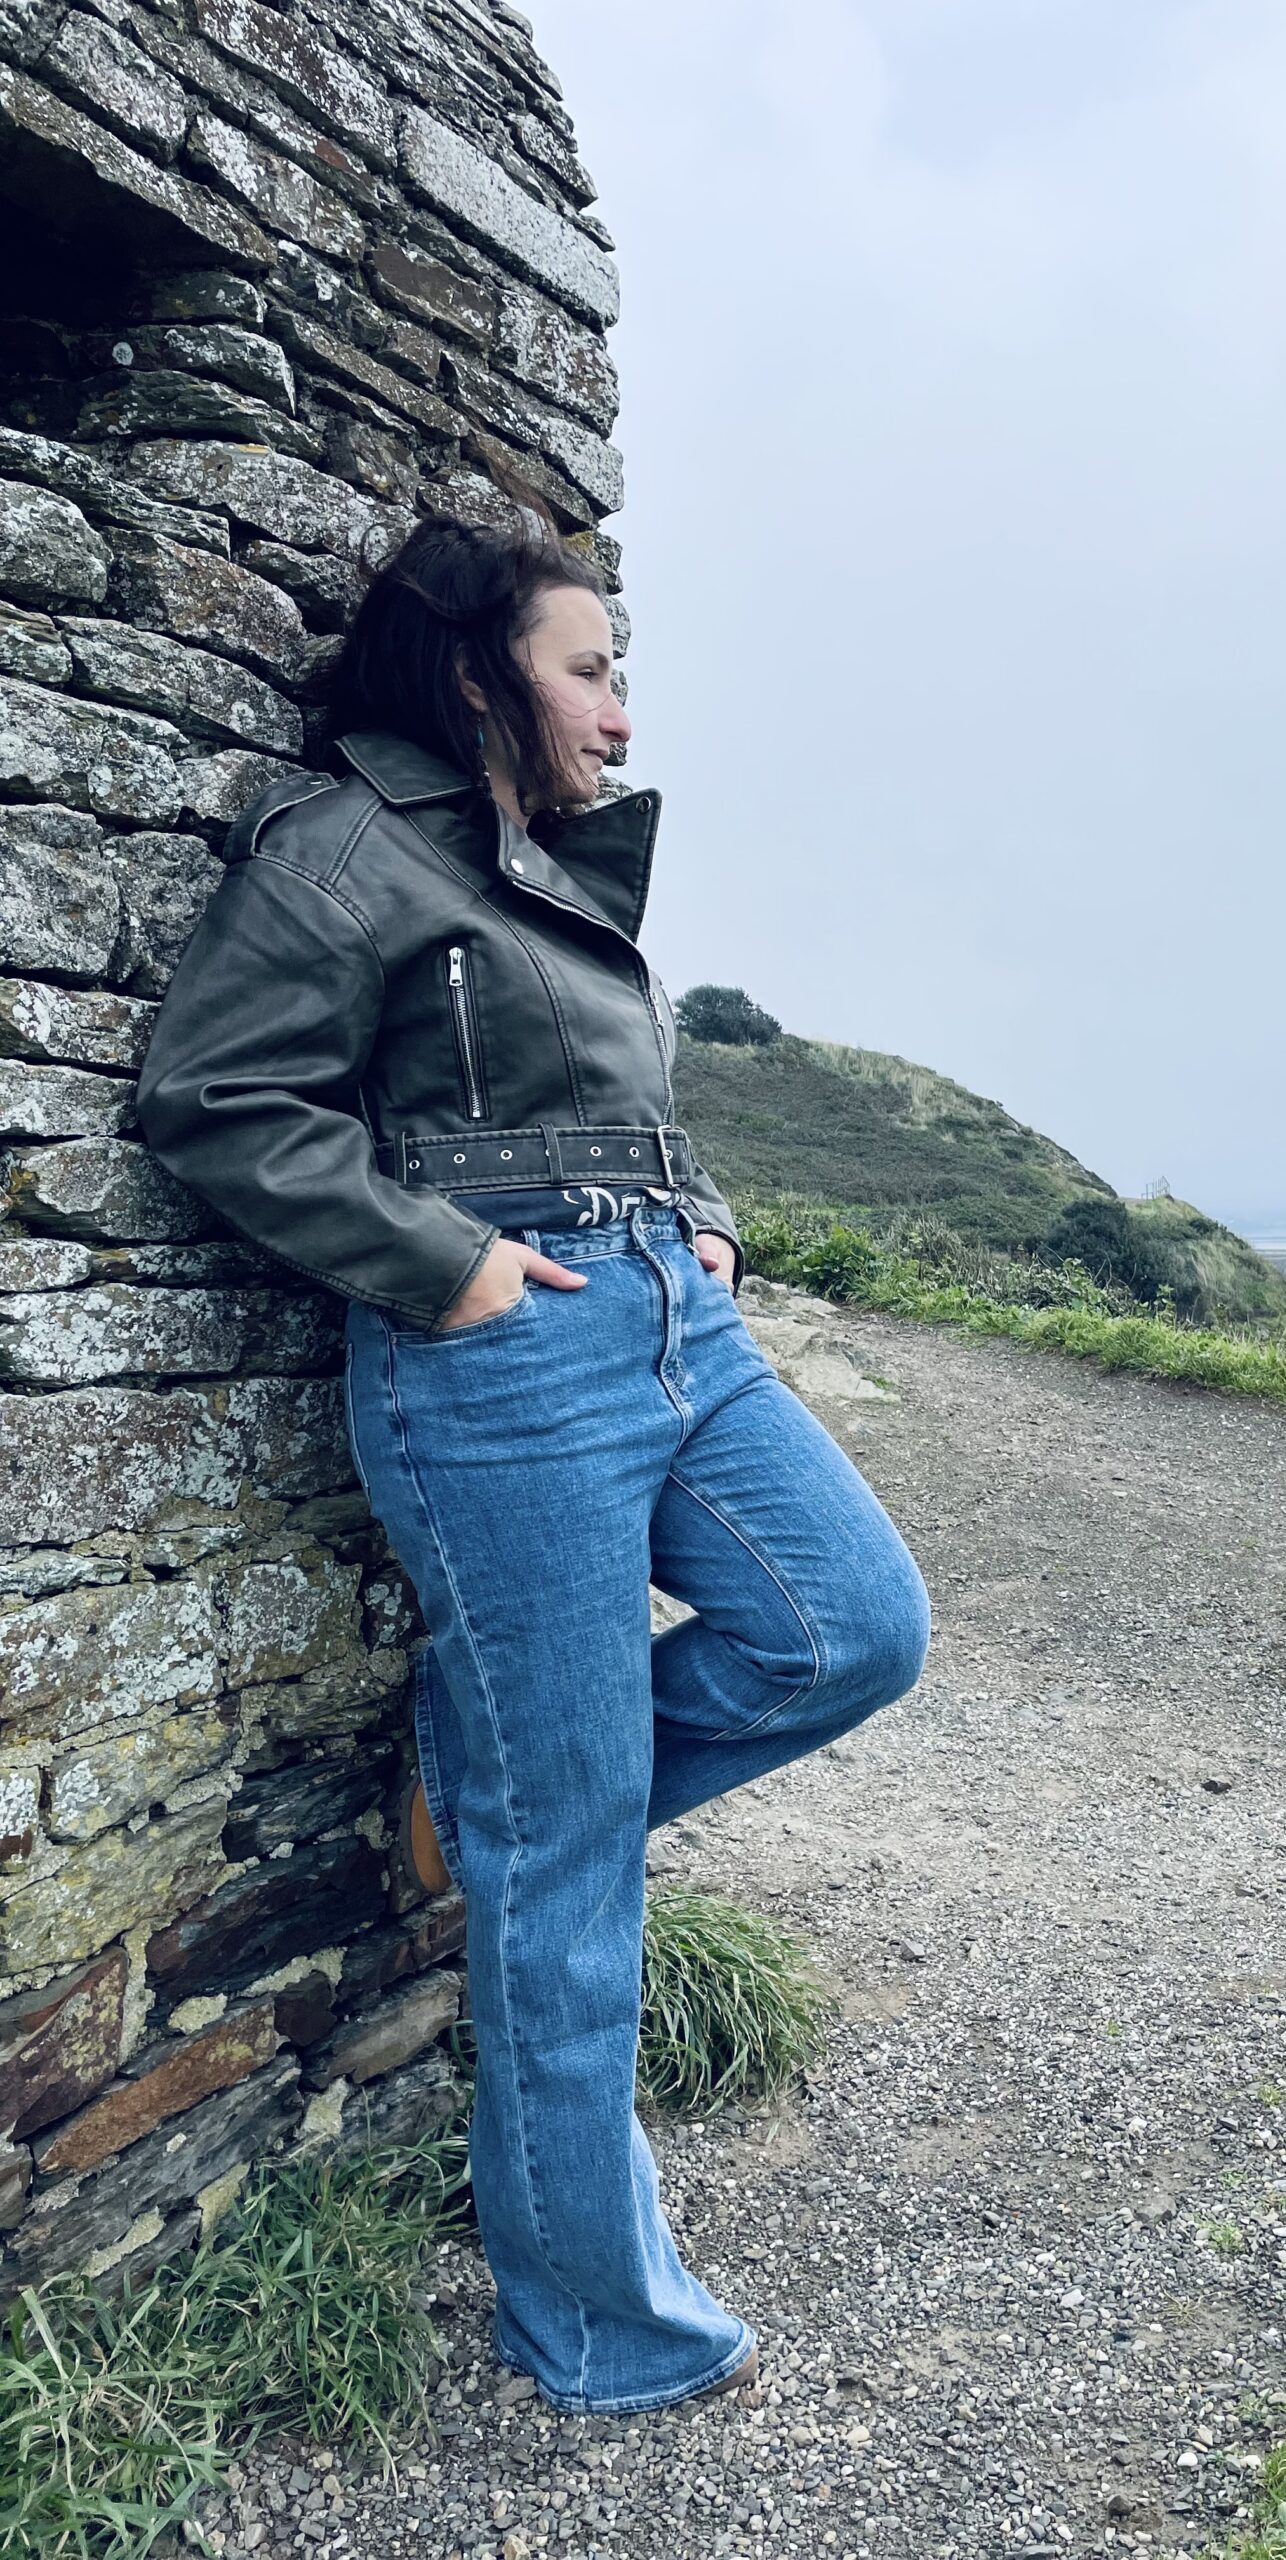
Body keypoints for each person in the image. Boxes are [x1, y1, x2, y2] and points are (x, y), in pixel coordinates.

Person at [137, 513, 930, 2416]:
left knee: (853, 1629)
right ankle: (592, 2320)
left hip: (674, 1323)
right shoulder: (347, 851)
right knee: (566, 1868)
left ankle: (470, 1778)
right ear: (479, 676)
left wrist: (704, 1213)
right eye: (590, 670)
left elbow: (625, 1095)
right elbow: (214, 1094)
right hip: (504, 1362)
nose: (622, 712)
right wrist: (455, 1267)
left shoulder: (549, 867)